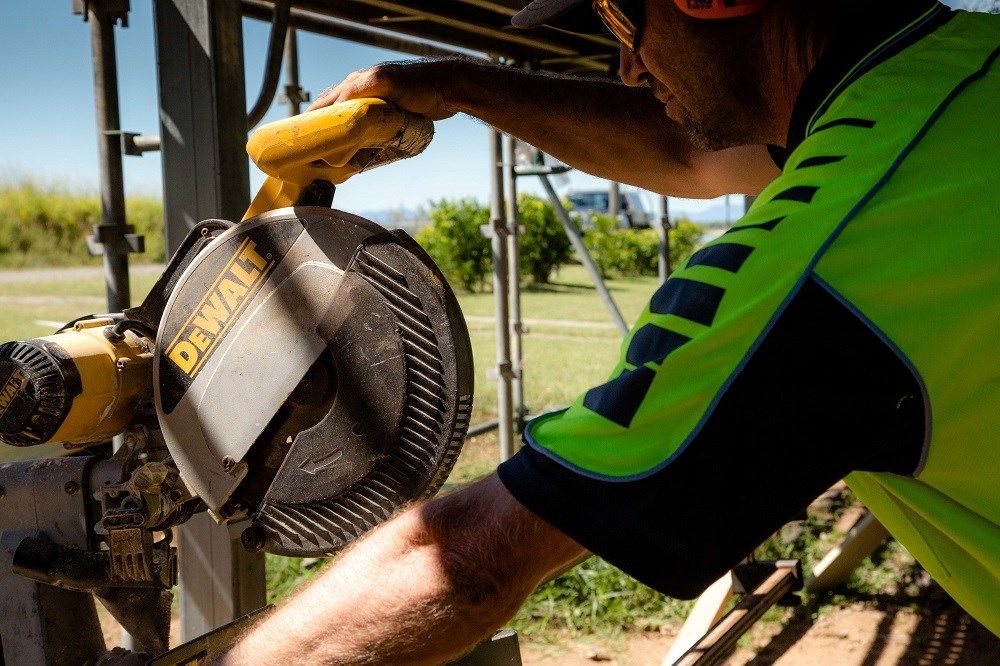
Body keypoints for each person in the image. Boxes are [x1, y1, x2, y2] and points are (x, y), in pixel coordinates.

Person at [222, 1, 999, 662]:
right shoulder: (957, 71)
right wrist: (456, 87)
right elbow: (689, 151)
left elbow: (467, 562)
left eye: (623, 17)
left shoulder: (839, 241)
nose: (627, 65)